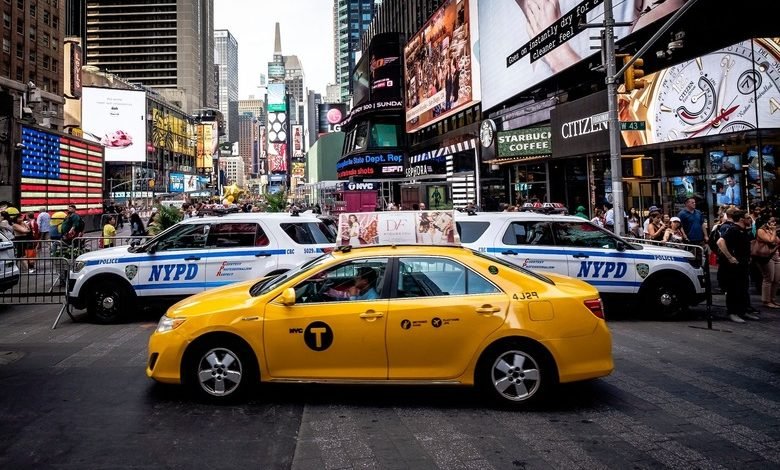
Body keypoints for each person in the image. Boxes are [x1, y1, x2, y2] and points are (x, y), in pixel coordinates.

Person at [717, 209, 757, 323]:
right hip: (733, 266)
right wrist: (730, 257)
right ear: (741, 219)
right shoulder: (733, 229)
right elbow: (720, 242)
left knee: (743, 289)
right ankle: (732, 312)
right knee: (733, 289)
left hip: (743, 264)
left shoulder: (743, 230)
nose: (749, 219)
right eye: (747, 217)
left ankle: (743, 311)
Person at [755, 217, 780, 309]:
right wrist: (773, 231)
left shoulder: (772, 230)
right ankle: (766, 300)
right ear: (766, 222)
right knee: (768, 278)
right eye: (772, 221)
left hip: (776, 256)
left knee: (777, 280)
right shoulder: (761, 231)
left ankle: (772, 299)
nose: (774, 223)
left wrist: (773, 231)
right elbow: (771, 240)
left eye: (775, 221)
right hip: (766, 256)